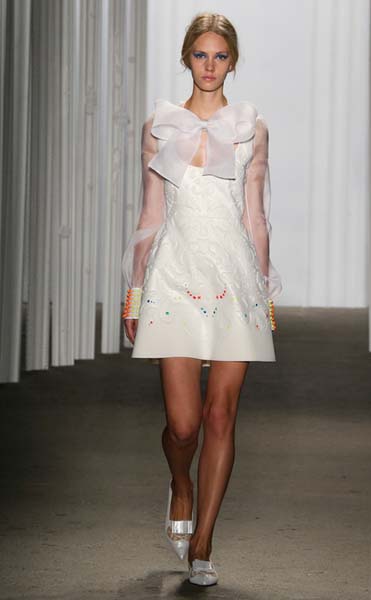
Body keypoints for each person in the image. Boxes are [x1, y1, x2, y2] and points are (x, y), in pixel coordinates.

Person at [121, 12, 282, 587]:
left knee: (221, 415)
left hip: (235, 280)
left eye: (220, 56)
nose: (210, 66)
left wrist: (265, 291)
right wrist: (134, 293)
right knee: (184, 425)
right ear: (186, 58)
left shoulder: (250, 128)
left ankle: (204, 543)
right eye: (200, 55)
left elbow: (256, 215)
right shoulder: (159, 127)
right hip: (174, 277)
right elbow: (150, 212)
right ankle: (181, 484)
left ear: (233, 63)